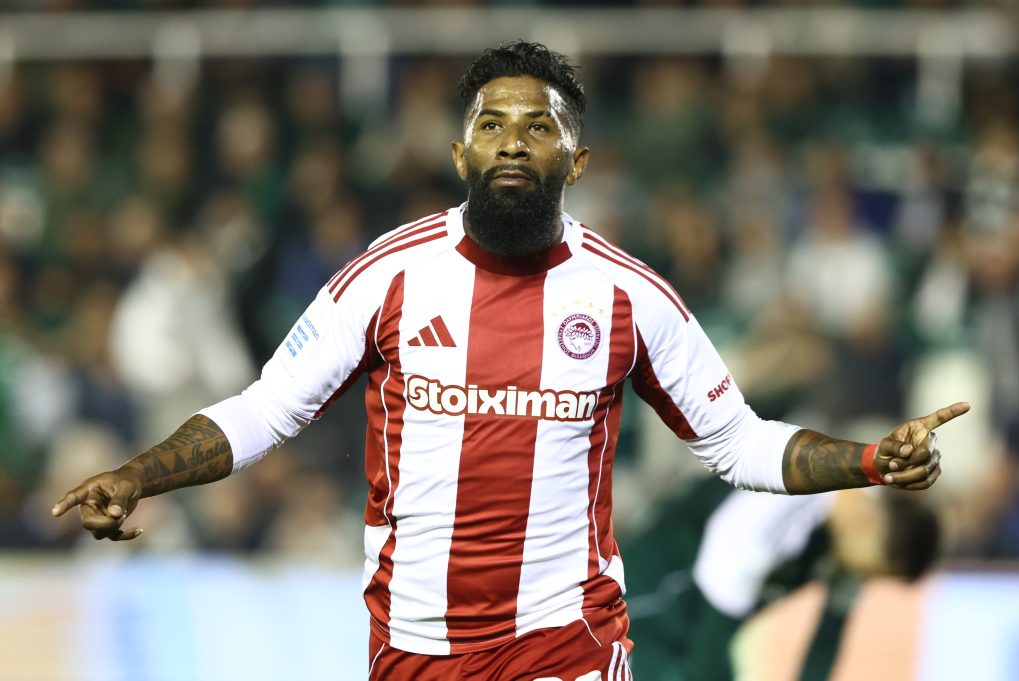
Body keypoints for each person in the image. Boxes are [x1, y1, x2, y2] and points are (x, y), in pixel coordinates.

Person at [52, 42, 969, 680]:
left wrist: (866, 460)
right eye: (493, 124)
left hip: (566, 642)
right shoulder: (389, 275)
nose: (515, 141)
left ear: (577, 158)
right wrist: (139, 475)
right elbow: (266, 409)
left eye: (540, 126)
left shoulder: (629, 295)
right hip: (413, 646)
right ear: (461, 152)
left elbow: (736, 442)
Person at [622, 476, 941, 681]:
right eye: (872, 571)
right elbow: (711, 640)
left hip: (693, 624)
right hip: (643, 607)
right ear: (866, 525)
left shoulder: (849, 540)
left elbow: (827, 637)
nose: (864, 578)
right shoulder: (779, 500)